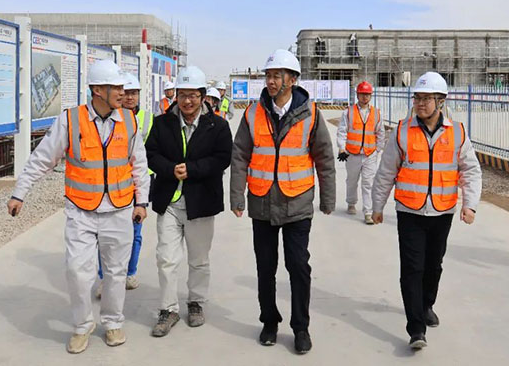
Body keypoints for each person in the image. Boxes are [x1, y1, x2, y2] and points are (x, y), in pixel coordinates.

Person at [7, 59, 150, 354]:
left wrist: (142, 202)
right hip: (81, 211)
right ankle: (83, 326)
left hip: (119, 209)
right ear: (98, 90)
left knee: (115, 272)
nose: (122, 93)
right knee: (77, 271)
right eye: (116, 88)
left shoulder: (129, 121)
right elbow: (43, 158)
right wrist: (20, 193)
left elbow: (139, 165)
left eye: (123, 87)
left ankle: (113, 322)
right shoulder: (70, 121)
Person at [230, 48, 336, 355]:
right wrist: (237, 196)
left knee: (298, 266)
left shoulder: (311, 114)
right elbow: (240, 156)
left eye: (277, 76)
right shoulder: (253, 113)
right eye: (268, 76)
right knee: (265, 267)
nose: (271, 81)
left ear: (292, 80)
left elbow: (324, 158)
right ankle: (269, 321)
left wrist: (328, 198)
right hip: (262, 201)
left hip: (297, 202)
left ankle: (301, 327)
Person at [371, 71, 481, 351]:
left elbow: (470, 170)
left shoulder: (457, 132)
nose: (420, 103)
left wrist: (469, 204)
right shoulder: (402, 131)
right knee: (412, 268)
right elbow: (386, 171)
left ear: (441, 101)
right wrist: (377, 206)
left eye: (426, 98)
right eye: (417, 98)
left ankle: (426, 304)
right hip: (410, 211)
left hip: (442, 212)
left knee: (434, 265)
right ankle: (416, 328)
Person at [146, 66, 233, 337]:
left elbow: (223, 158)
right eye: (182, 95)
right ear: (176, 95)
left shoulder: (218, 125)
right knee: (166, 259)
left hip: (201, 203)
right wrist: (169, 169)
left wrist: (193, 169)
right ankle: (168, 309)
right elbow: (151, 153)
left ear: (203, 96)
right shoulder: (162, 123)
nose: (187, 101)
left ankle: (196, 302)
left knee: (199, 260)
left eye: (193, 95)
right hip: (170, 203)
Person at [96, 72, 154, 296]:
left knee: (134, 232)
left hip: (138, 183)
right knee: (105, 236)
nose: (130, 97)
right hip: (112, 184)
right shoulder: (107, 118)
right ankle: (105, 278)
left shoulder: (148, 119)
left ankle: (130, 272)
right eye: (126, 92)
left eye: (134, 93)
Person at [336, 81, 385, 224]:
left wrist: (378, 149)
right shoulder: (348, 112)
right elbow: (342, 131)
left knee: (368, 183)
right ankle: (351, 203)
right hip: (352, 154)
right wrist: (342, 148)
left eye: (367, 95)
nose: (365, 97)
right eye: (362, 94)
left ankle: (368, 212)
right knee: (352, 181)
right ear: (357, 95)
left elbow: (380, 132)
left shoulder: (377, 113)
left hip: (370, 154)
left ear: (371, 96)